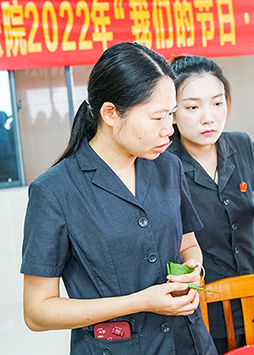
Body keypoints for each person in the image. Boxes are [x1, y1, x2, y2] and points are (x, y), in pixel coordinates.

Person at [21, 42, 216, 355]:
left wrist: (194, 269)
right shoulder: (55, 191)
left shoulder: (168, 166)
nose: (169, 130)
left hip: (189, 342)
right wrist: (139, 302)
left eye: (171, 115)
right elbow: (37, 312)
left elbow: (188, 245)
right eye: (156, 118)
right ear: (110, 113)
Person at [167, 55, 254, 354]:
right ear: (172, 113)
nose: (209, 117)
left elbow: (246, 212)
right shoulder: (163, 165)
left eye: (217, 103)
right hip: (204, 307)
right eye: (192, 107)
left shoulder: (242, 145)